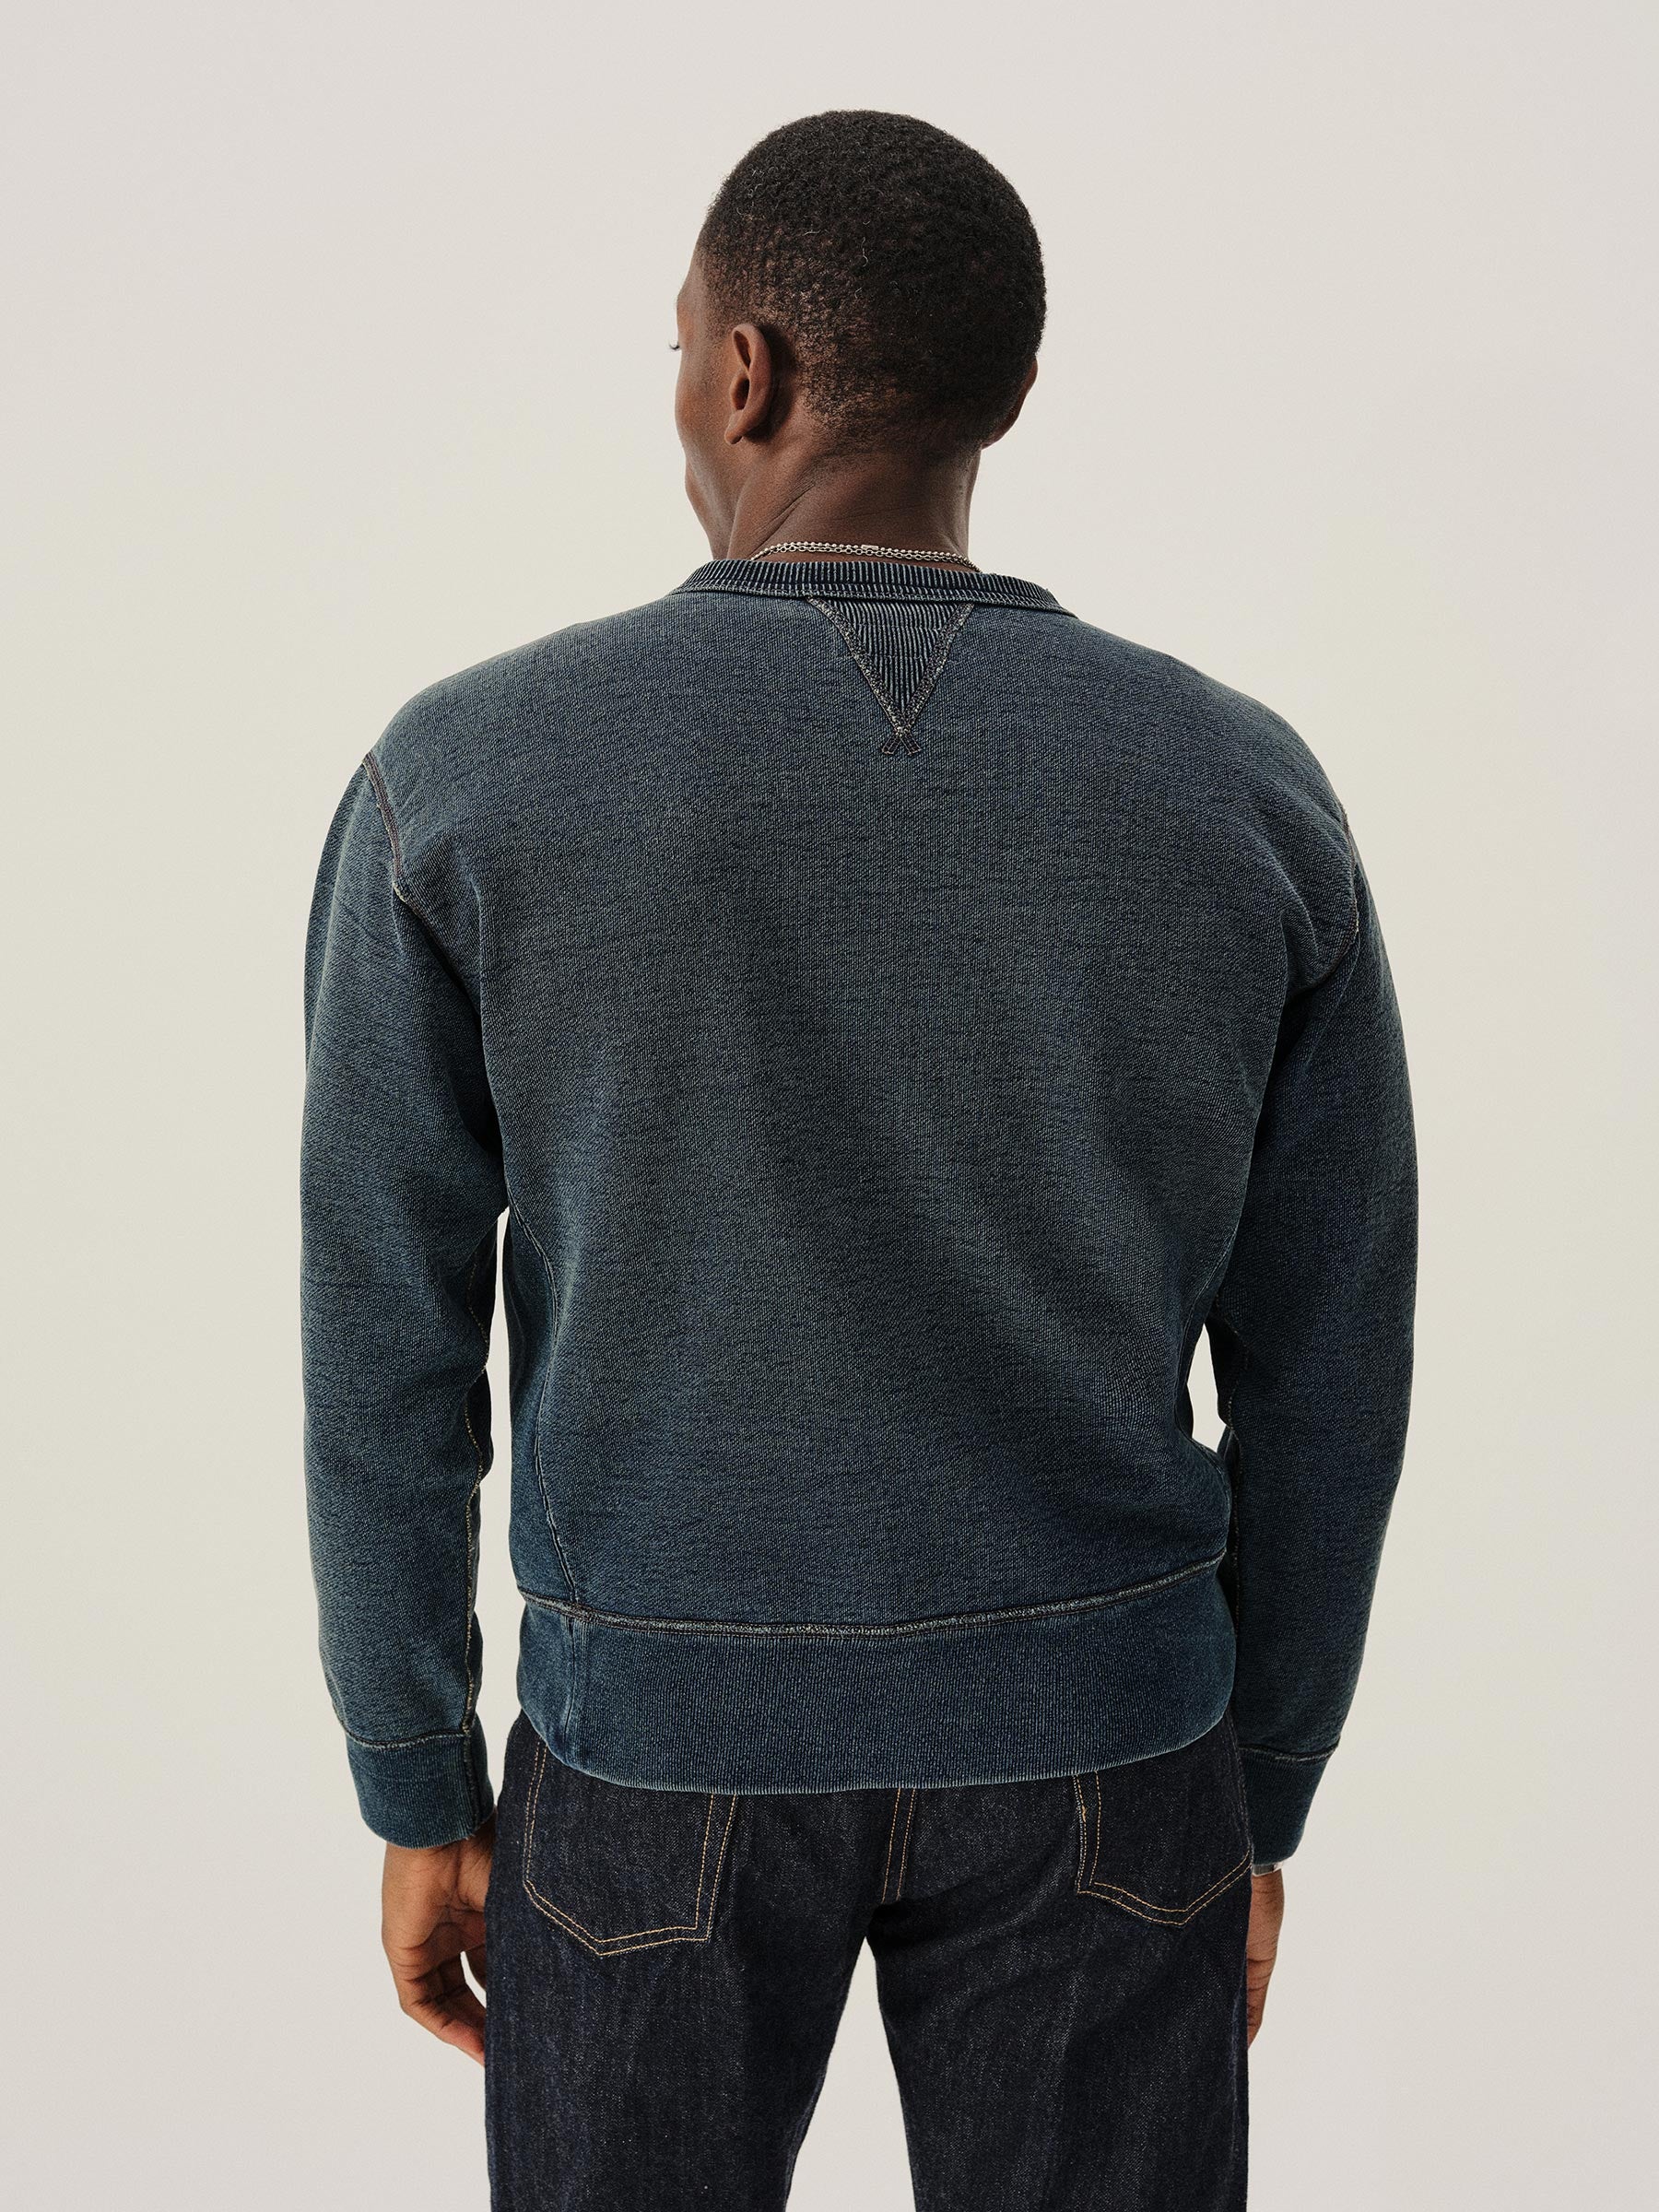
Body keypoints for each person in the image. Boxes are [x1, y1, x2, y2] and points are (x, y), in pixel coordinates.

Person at [300, 109, 1417, 2212]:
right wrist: (1259, 1782)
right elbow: (1332, 1365)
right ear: (1006, 392)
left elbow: (385, 1337)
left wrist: (413, 1767)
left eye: (679, 349)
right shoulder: (1246, 794)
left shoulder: (461, 783)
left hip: (653, 1748)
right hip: (1112, 1750)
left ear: (745, 372)